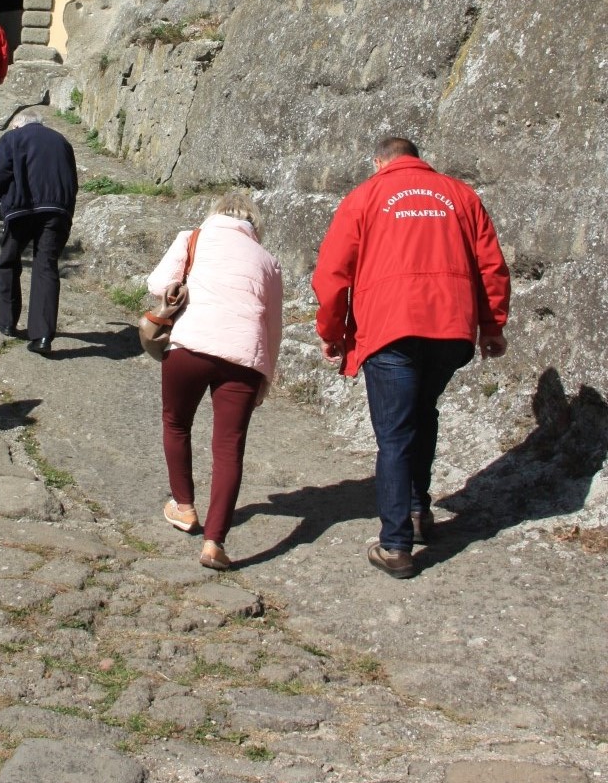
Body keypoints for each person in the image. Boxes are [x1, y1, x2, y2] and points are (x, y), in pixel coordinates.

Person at [312, 134, 510, 579]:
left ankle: (396, 544)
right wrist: (492, 324)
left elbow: (332, 271)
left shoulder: (365, 195)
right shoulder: (461, 196)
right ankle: (419, 511)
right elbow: (491, 266)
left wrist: (333, 331)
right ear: (418, 161)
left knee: (396, 433)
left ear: (379, 161)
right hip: (451, 329)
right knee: (423, 412)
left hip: (389, 329)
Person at [147, 190, 283, 572]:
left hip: (190, 344)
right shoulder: (268, 261)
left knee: (176, 422)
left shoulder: (193, 237)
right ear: (253, 225)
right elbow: (273, 326)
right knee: (229, 447)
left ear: (215, 214)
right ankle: (214, 543)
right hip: (243, 357)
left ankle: (184, 507)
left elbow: (158, 283)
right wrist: (265, 378)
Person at [0, 112, 77, 355]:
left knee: (8, 260)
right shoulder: (62, 140)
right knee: (46, 266)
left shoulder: (13, 137)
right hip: (57, 209)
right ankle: (42, 336)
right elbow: (72, 178)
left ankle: (7, 320)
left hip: (22, 207)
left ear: (18, 124)